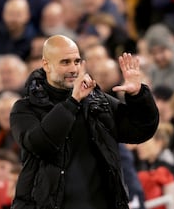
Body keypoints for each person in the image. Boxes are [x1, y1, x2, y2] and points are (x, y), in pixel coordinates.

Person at [10, 34, 159, 209]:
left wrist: (138, 96)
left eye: (77, 61)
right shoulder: (25, 108)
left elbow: (140, 130)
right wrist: (72, 102)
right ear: (46, 64)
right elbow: (40, 145)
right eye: (65, 62)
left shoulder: (98, 101)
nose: (73, 68)